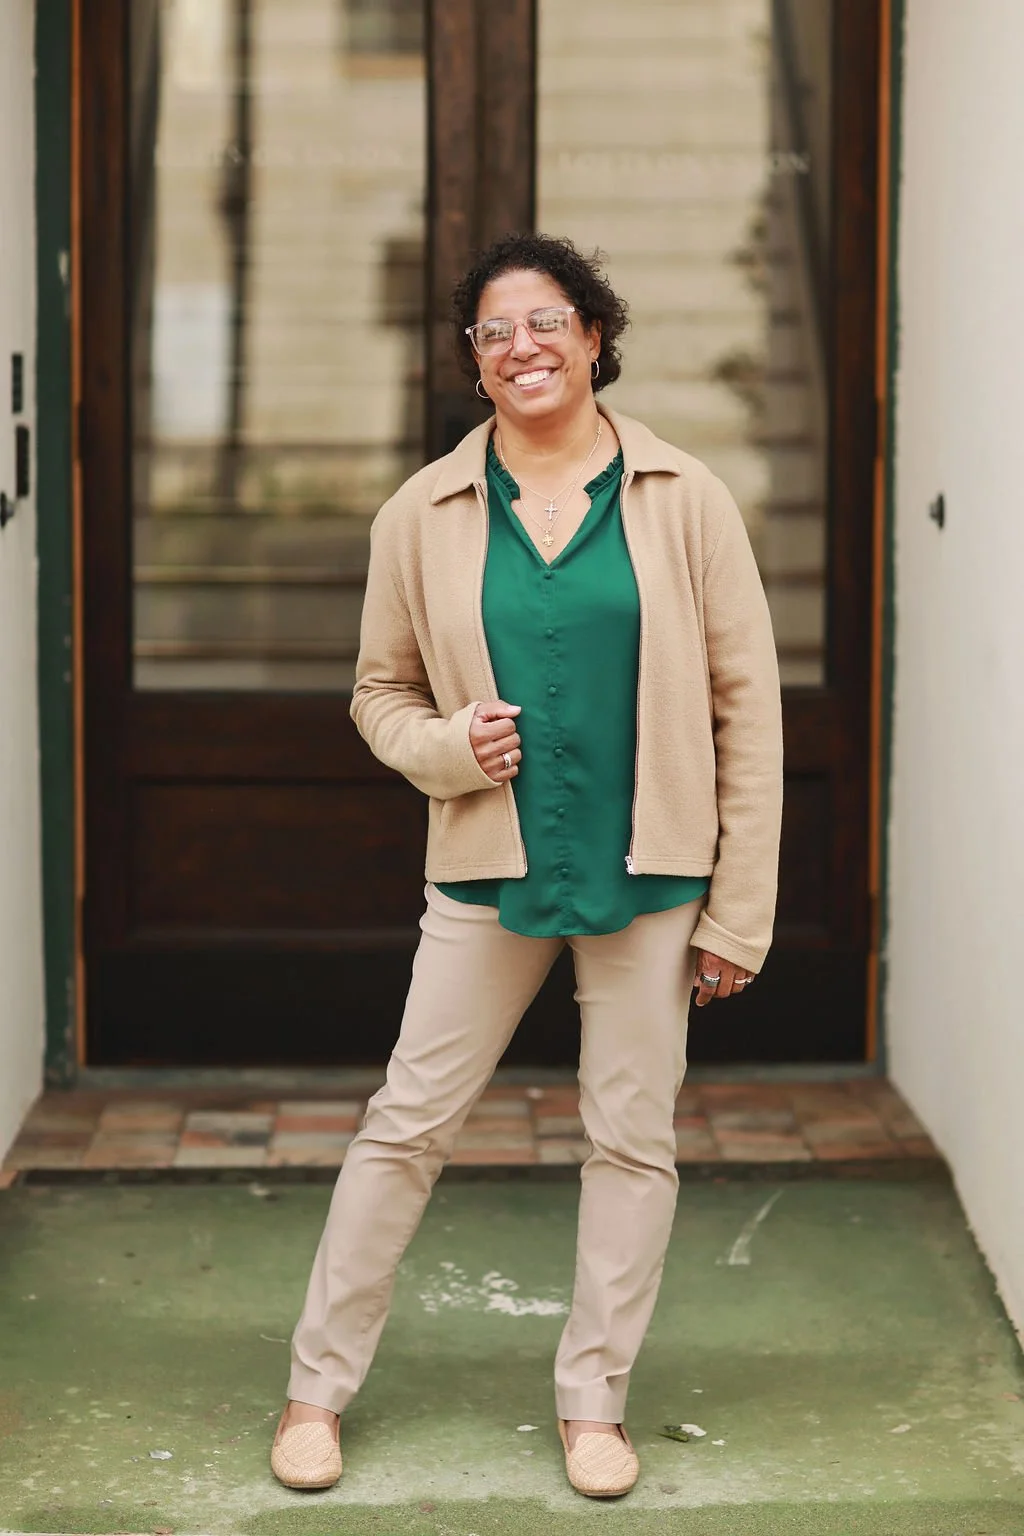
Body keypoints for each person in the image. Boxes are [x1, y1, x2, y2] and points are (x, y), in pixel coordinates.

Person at [271, 232, 783, 1498]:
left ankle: (593, 1402)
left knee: (630, 1141)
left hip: (652, 876)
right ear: (474, 361)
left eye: (546, 322)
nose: (522, 348)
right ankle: (314, 1394)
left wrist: (739, 912)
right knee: (406, 1127)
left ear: (596, 336)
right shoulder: (424, 513)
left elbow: (747, 711)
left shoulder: (686, 498)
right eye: (494, 333)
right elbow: (378, 693)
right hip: (488, 872)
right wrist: (447, 747)